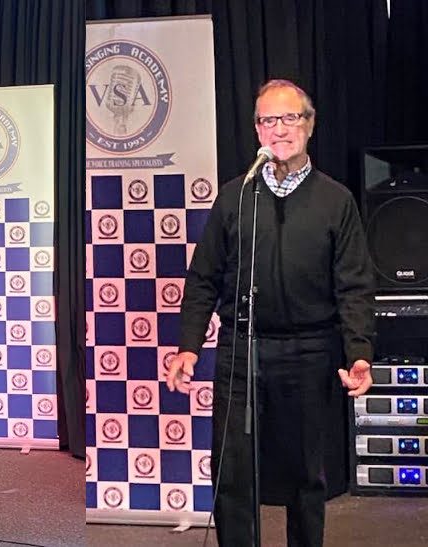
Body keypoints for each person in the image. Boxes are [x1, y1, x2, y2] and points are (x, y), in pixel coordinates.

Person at [166, 80, 375, 546]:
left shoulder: (336, 200)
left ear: (310, 125)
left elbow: (355, 286)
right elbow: (203, 278)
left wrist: (359, 350)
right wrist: (188, 346)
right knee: (233, 475)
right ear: (257, 129)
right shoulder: (237, 196)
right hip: (241, 351)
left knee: (306, 476)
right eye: (268, 120)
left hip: (309, 352)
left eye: (289, 118)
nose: (279, 129)